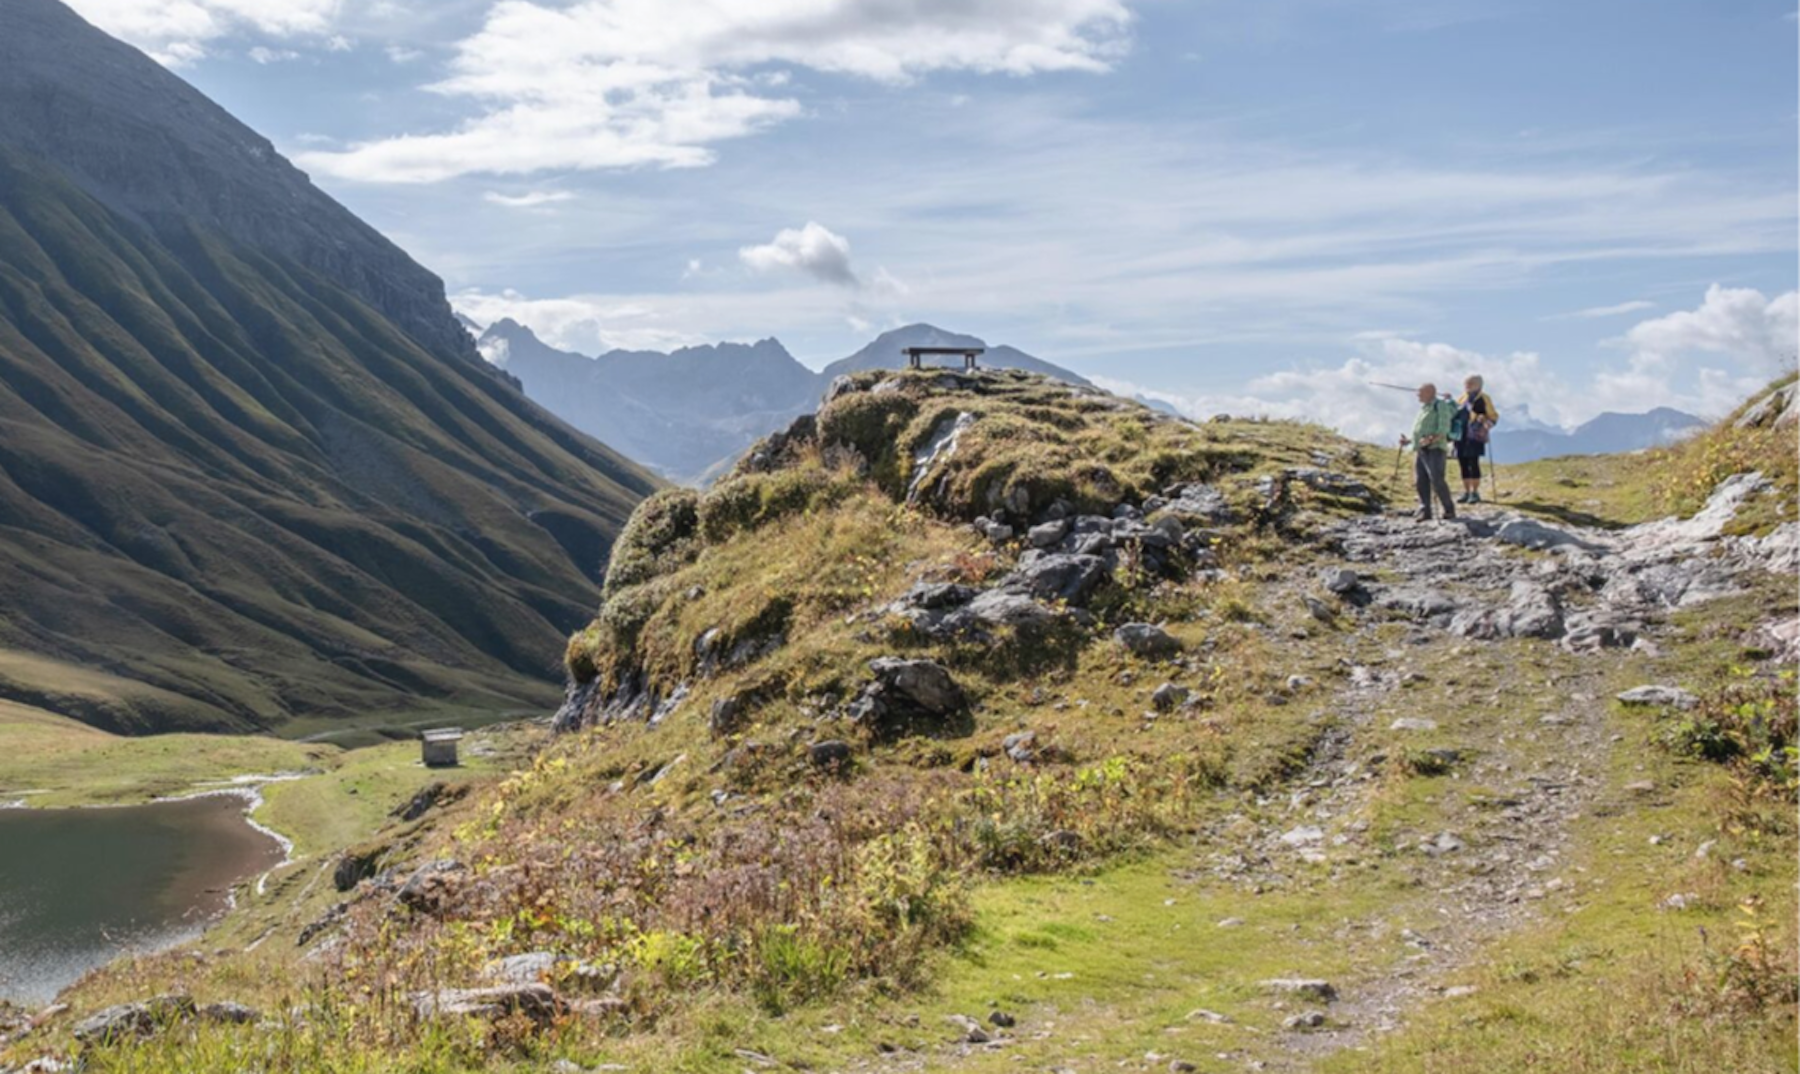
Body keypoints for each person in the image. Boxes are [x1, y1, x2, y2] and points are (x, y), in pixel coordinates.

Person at [1398, 383, 1457, 521]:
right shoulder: (1424, 408)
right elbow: (1420, 431)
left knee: (1437, 479)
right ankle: (1425, 510)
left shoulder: (1440, 405)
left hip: (1435, 449)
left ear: (1430, 393)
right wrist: (1408, 441)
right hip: (1421, 449)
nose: (1417, 395)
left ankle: (1449, 509)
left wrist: (1432, 439)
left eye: (1420, 392)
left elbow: (1444, 426)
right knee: (1421, 480)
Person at [1454, 375, 1499, 503]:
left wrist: (1486, 424)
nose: (1467, 386)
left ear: (1479, 385)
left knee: (1473, 463)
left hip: (1475, 435)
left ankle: (1475, 492)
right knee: (1462, 464)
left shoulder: (1484, 398)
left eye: (1471, 383)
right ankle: (1466, 492)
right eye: (1466, 383)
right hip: (1461, 436)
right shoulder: (1462, 398)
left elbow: (1493, 416)